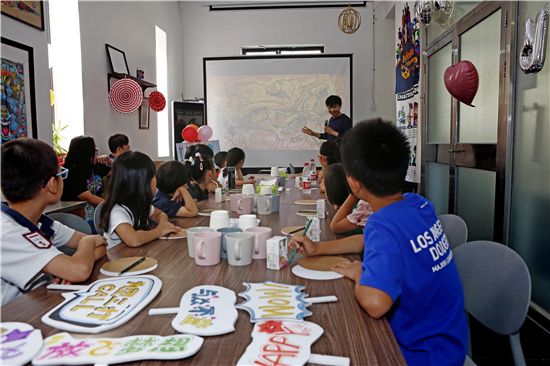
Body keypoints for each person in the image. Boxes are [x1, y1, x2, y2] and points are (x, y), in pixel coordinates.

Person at [308, 118, 468, 365]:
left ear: (353, 183)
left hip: (418, 355)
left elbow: (375, 304)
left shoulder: (382, 224)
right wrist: (318, 248)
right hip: (448, 344)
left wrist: (360, 272)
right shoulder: (419, 205)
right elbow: (368, 242)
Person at [1, 138, 106, 305]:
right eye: (60, 175)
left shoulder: (41, 222)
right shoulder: (7, 233)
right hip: (12, 321)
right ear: (52, 184)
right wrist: (87, 241)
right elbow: (79, 270)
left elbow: (101, 245)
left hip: (39, 305)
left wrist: (68, 268)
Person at [100, 151, 181, 248]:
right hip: (118, 260)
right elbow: (133, 240)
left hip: (135, 256)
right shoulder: (117, 211)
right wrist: (159, 231)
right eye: (152, 176)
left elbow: (160, 214)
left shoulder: (138, 203)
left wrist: (163, 224)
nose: (155, 179)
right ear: (141, 184)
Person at [61, 136, 111, 228]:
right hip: (79, 217)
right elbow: (87, 197)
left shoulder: (94, 166)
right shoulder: (71, 171)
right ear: (86, 152)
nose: (97, 153)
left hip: (98, 213)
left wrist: (110, 161)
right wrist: (112, 206)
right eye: (95, 150)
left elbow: (118, 171)